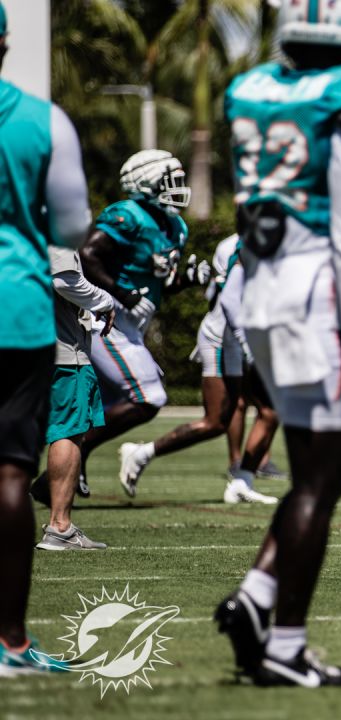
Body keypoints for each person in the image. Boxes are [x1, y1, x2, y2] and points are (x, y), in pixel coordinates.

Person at [212, 0, 341, 686]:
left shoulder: (251, 87)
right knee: (323, 474)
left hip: (259, 287)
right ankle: (285, 647)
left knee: (323, 468)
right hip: (317, 292)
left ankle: (256, 600)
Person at [0, 0, 85, 673]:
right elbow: (71, 221)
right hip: (16, 309)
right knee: (8, 474)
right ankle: (11, 642)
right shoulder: (41, 119)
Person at [67, 149, 203, 499]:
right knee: (148, 395)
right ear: (147, 181)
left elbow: (160, 286)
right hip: (106, 320)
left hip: (133, 327)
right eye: (170, 180)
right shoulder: (127, 215)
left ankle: (52, 479)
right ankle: (77, 452)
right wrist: (123, 294)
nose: (178, 187)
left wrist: (188, 277)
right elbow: (88, 257)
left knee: (116, 401)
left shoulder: (174, 225)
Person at [116, 234, 277, 503]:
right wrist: (247, 342)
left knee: (269, 411)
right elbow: (227, 300)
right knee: (215, 422)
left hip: (236, 340)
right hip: (221, 339)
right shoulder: (247, 242)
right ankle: (141, 453)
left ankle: (242, 481)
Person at [36, 247, 114, 550]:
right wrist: (105, 301)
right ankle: (60, 527)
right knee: (68, 431)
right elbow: (65, 281)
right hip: (62, 352)